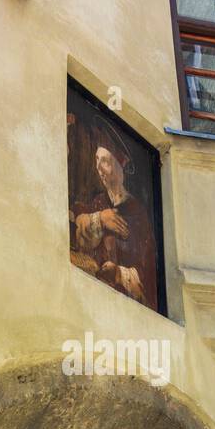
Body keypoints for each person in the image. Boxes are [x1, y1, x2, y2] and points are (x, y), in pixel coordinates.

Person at [71, 121, 157, 309]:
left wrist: (118, 273)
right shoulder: (98, 203)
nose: (99, 168)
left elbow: (148, 272)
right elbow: (74, 223)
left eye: (105, 161)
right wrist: (100, 219)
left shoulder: (138, 213)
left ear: (119, 166)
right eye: (96, 159)